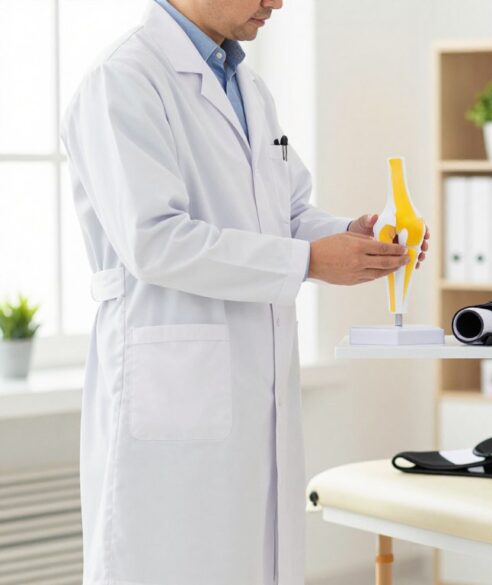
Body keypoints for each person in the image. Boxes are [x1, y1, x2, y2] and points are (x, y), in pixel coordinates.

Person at [61, 1, 428, 583]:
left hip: (253, 381)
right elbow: (154, 242)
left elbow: (286, 212)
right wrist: (309, 259)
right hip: (172, 388)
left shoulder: (247, 86)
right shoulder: (124, 79)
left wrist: (348, 237)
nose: (277, 1)